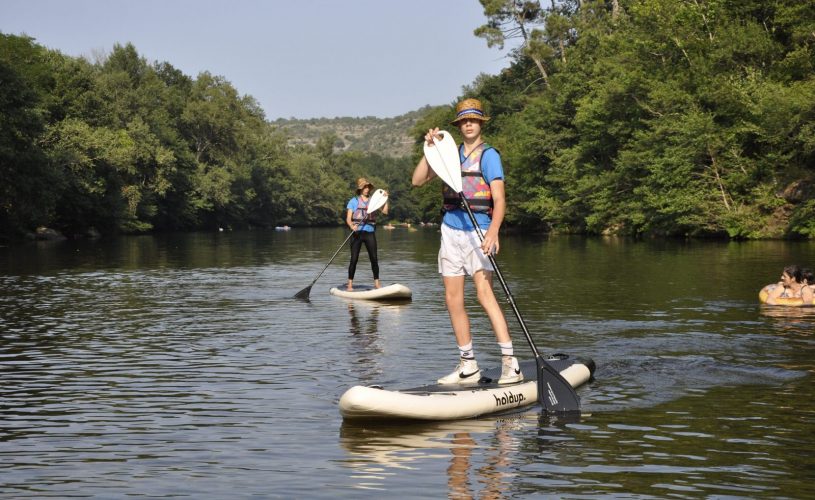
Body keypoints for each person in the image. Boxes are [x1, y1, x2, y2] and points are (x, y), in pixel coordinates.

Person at [411, 97, 522, 385]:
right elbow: (417, 180)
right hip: (451, 229)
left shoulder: (489, 155)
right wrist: (430, 150)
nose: (469, 124)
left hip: (480, 228)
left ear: (480, 123)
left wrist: (494, 231)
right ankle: (468, 364)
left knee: (484, 294)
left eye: (473, 119)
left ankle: (511, 363)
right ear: (459, 125)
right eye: (464, 120)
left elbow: (499, 199)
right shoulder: (449, 154)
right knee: (452, 298)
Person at [346, 177, 388, 290]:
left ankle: (377, 283)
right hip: (357, 232)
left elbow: (385, 212)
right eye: (364, 187)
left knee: (374, 258)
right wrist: (351, 226)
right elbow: (348, 219)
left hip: (369, 232)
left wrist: (385, 199)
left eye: (368, 187)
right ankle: (350, 284)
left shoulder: (373, 201)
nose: (367, 189)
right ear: (360, 189)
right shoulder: (353, 201)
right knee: (354, 259)